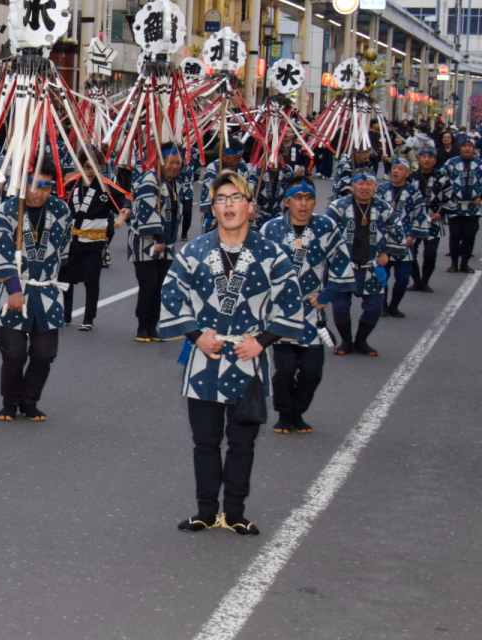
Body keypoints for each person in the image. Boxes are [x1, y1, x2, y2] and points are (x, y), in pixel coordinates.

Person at [162, 171, 304, 536]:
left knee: (242, 443)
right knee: (205, 441)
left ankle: (235, 512)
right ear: (212, 207)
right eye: (221, 198)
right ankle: (206, 511)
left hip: (247, 358)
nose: (228, 205)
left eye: (235, 198)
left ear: (250, 207)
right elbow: (171, 294)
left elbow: (290, 302)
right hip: (203, 358)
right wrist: (195, 334)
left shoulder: (271, 253)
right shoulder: (194, 251)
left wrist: (264, 341)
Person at [0, 165, 71, 422]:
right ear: (23, 185)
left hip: (46, 289)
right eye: (35, 186)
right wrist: (13, 289)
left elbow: (62, 250)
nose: (40, 194)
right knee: (14, 354)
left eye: (47, 188)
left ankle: (29, 399)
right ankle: (9, 402)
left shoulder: (61, 210)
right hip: (15, 288)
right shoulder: (8, 210)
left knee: (45, 354)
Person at [262, 177, 340, 434]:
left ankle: (298, 411)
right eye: (297, 198)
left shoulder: (326, 226)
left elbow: (341, 263)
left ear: (315, 202)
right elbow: (255, 267)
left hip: (311, 310)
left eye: (308, 198)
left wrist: (327, 294)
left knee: (311, 372)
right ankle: (285, 413)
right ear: (287, 202)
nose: (303, 203)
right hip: (281, 311)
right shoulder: (271, 229)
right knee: (284, 370)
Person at [324, 172, 401, 356]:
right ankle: (346, 341)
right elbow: (324, 229)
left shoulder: (383, 207)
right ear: (353, 185)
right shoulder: (339, 206)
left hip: (371, 266)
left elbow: (397, 230)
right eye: (360, 183)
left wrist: (387, 252)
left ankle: (361, 340)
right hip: (343, 266)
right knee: (340, 307)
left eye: (369, 184)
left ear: (375, 186)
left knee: (374, 307)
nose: (364, 188)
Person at [62, 156, 128, 331]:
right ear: (80, 167)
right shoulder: (71, 185)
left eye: (93, 167)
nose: (90, 172)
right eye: (86, 167)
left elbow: (123, 198)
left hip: (95, 241)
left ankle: (88, 318)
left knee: (91, 279)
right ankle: (65, 314)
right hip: (73, 240)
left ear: (99, 168)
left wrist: (125, 208)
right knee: (66, 279)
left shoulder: (105, 186)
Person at [128, 147, 184, 342]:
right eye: (171, 162)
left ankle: (153, 325)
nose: (175, 166)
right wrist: (158, 239)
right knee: (149, 284)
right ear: (160, 161)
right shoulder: (150, 180)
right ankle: (142, 325)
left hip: (166, 243)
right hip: (146, 243)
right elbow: (146, 210)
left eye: (178, 162)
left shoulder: (173, 182)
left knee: (163, 285)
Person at [376, 158, 428, 318]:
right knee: (381, 276)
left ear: (407, 173)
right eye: (394, 168)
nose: (395, 171)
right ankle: (382, 305)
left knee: (403, 278)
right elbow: (373, 213)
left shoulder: (414, 192)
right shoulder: (381, 190)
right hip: (383, 242)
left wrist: (412, 235)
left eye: (400, 168)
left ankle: (394, 306)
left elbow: (420, 215)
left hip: (404, 242)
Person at [438, 138, 481, 274]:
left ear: (474, 149)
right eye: (464, 146)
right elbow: (440, 178)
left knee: (470, 236)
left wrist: (480, 198)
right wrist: (449, 196)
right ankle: (454, 263)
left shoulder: (479, 163)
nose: (467, 149)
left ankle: (465, 263)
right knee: (455, 234)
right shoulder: (451, 162)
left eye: (470, 146)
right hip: (454, 206)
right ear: (460, 148)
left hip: (473, 207)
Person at [199, 140, 256, 232]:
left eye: (239, 158)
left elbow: (247, 190)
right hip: (217, 214)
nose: (237, 161)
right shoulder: (213, 169)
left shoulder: (242, 166)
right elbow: (209, 198)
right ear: (224, 155)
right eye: (233, 158)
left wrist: (249, 209)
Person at [409, 148, 445, 292]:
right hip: (413, 222)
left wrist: (441, 213)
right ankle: (416, 281)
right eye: (423, 156)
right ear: (418, 159)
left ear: (435, 160)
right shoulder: (411, 177)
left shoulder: (442, 177)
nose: (427, 160)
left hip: (434, 221)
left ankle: (425, 281)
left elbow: (450, 199)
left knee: (430, 253)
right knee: (410, 252)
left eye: (430, 157)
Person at [252, 160, 294, 229]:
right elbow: (250, 190)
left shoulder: (287, 170)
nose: (276, 158)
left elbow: (290, 193)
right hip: (260, 215)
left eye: (279, 155)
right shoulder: (259, 168)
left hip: (280, 215)